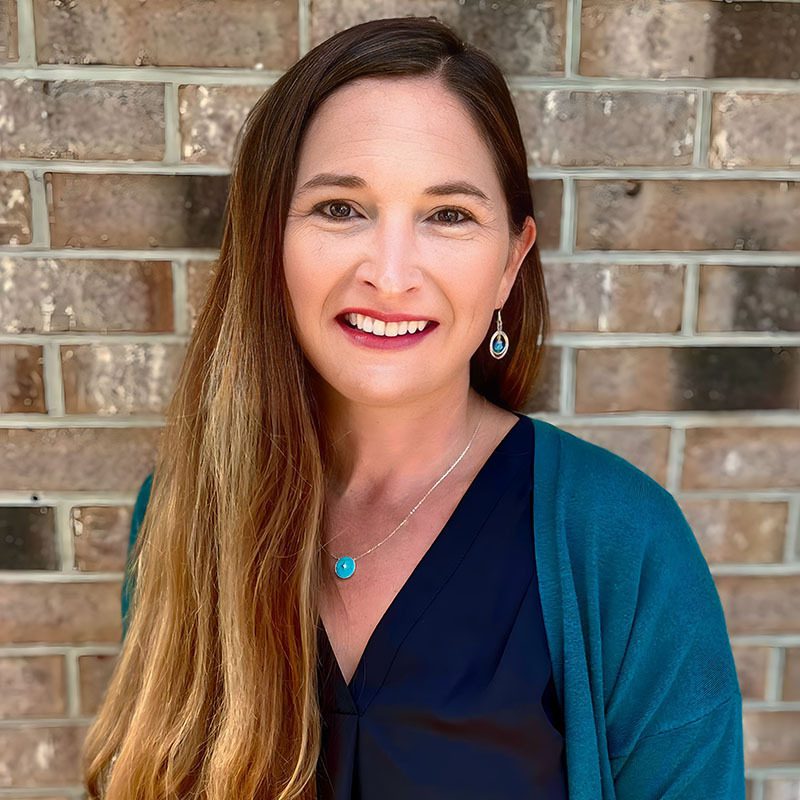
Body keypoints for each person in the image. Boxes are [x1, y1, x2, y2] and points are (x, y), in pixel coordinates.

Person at [82, 16, 745, 800]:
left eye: (448, 215)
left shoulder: (623, 545)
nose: (391, 275)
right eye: (341, 209)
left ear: (509, 264)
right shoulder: (185, 512)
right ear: (270, 241)